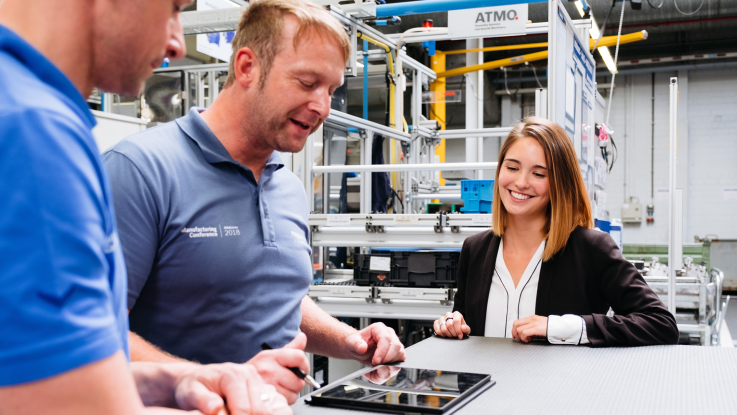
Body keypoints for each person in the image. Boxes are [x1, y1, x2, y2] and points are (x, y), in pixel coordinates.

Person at [103, 0, 405, 402]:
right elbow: (91, 337)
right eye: (307, 82)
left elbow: (276, 297)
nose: (322, 107)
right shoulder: (139, 171)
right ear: (247, 67)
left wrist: (351, 341)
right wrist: (216, 381)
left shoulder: (288, 186)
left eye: (331, 90)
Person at [0, 0, 290, 414]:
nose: (176, 42)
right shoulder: (34, 129)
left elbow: (38, 377)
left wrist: (174, 381)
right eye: (172, 7)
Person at [433, 117, 679, 347]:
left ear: (559, 183)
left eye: (538, 173)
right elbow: (466, 328)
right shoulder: (475, 250)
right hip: (486, 392)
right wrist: (452, 326)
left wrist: (561, 327)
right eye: (512, 167)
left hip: (560, 392)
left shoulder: (591, 249)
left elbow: (661, 324)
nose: (521, 182)